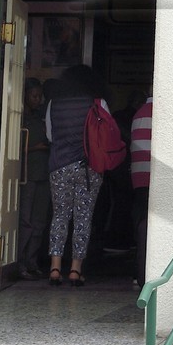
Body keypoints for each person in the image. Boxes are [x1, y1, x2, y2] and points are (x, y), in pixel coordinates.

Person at [45, 64, 107, 287]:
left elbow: (50, 136)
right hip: (87, 167)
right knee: (83, 218)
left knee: (60, 215)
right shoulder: (96, 104)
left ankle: (54, 267)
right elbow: (106, 134)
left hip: (59, 166)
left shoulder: (54, 104)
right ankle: (75, 270)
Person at [17, 78, 50, 279]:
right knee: (25, 221)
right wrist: (35, 148)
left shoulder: (42, 117)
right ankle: (19, 263)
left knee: (39, 221)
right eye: (34, 96)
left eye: (40, 96)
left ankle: (32, 261)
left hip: (43, 173)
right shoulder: (19, 118)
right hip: (27, 174)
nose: (38, 100)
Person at [128, 93, 153, 286]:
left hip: (138, 175)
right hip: (154, 175)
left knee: (140, 225)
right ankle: (146, 272)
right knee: (149, 227)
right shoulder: (161, 113)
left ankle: (137, 273)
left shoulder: (138, 114)